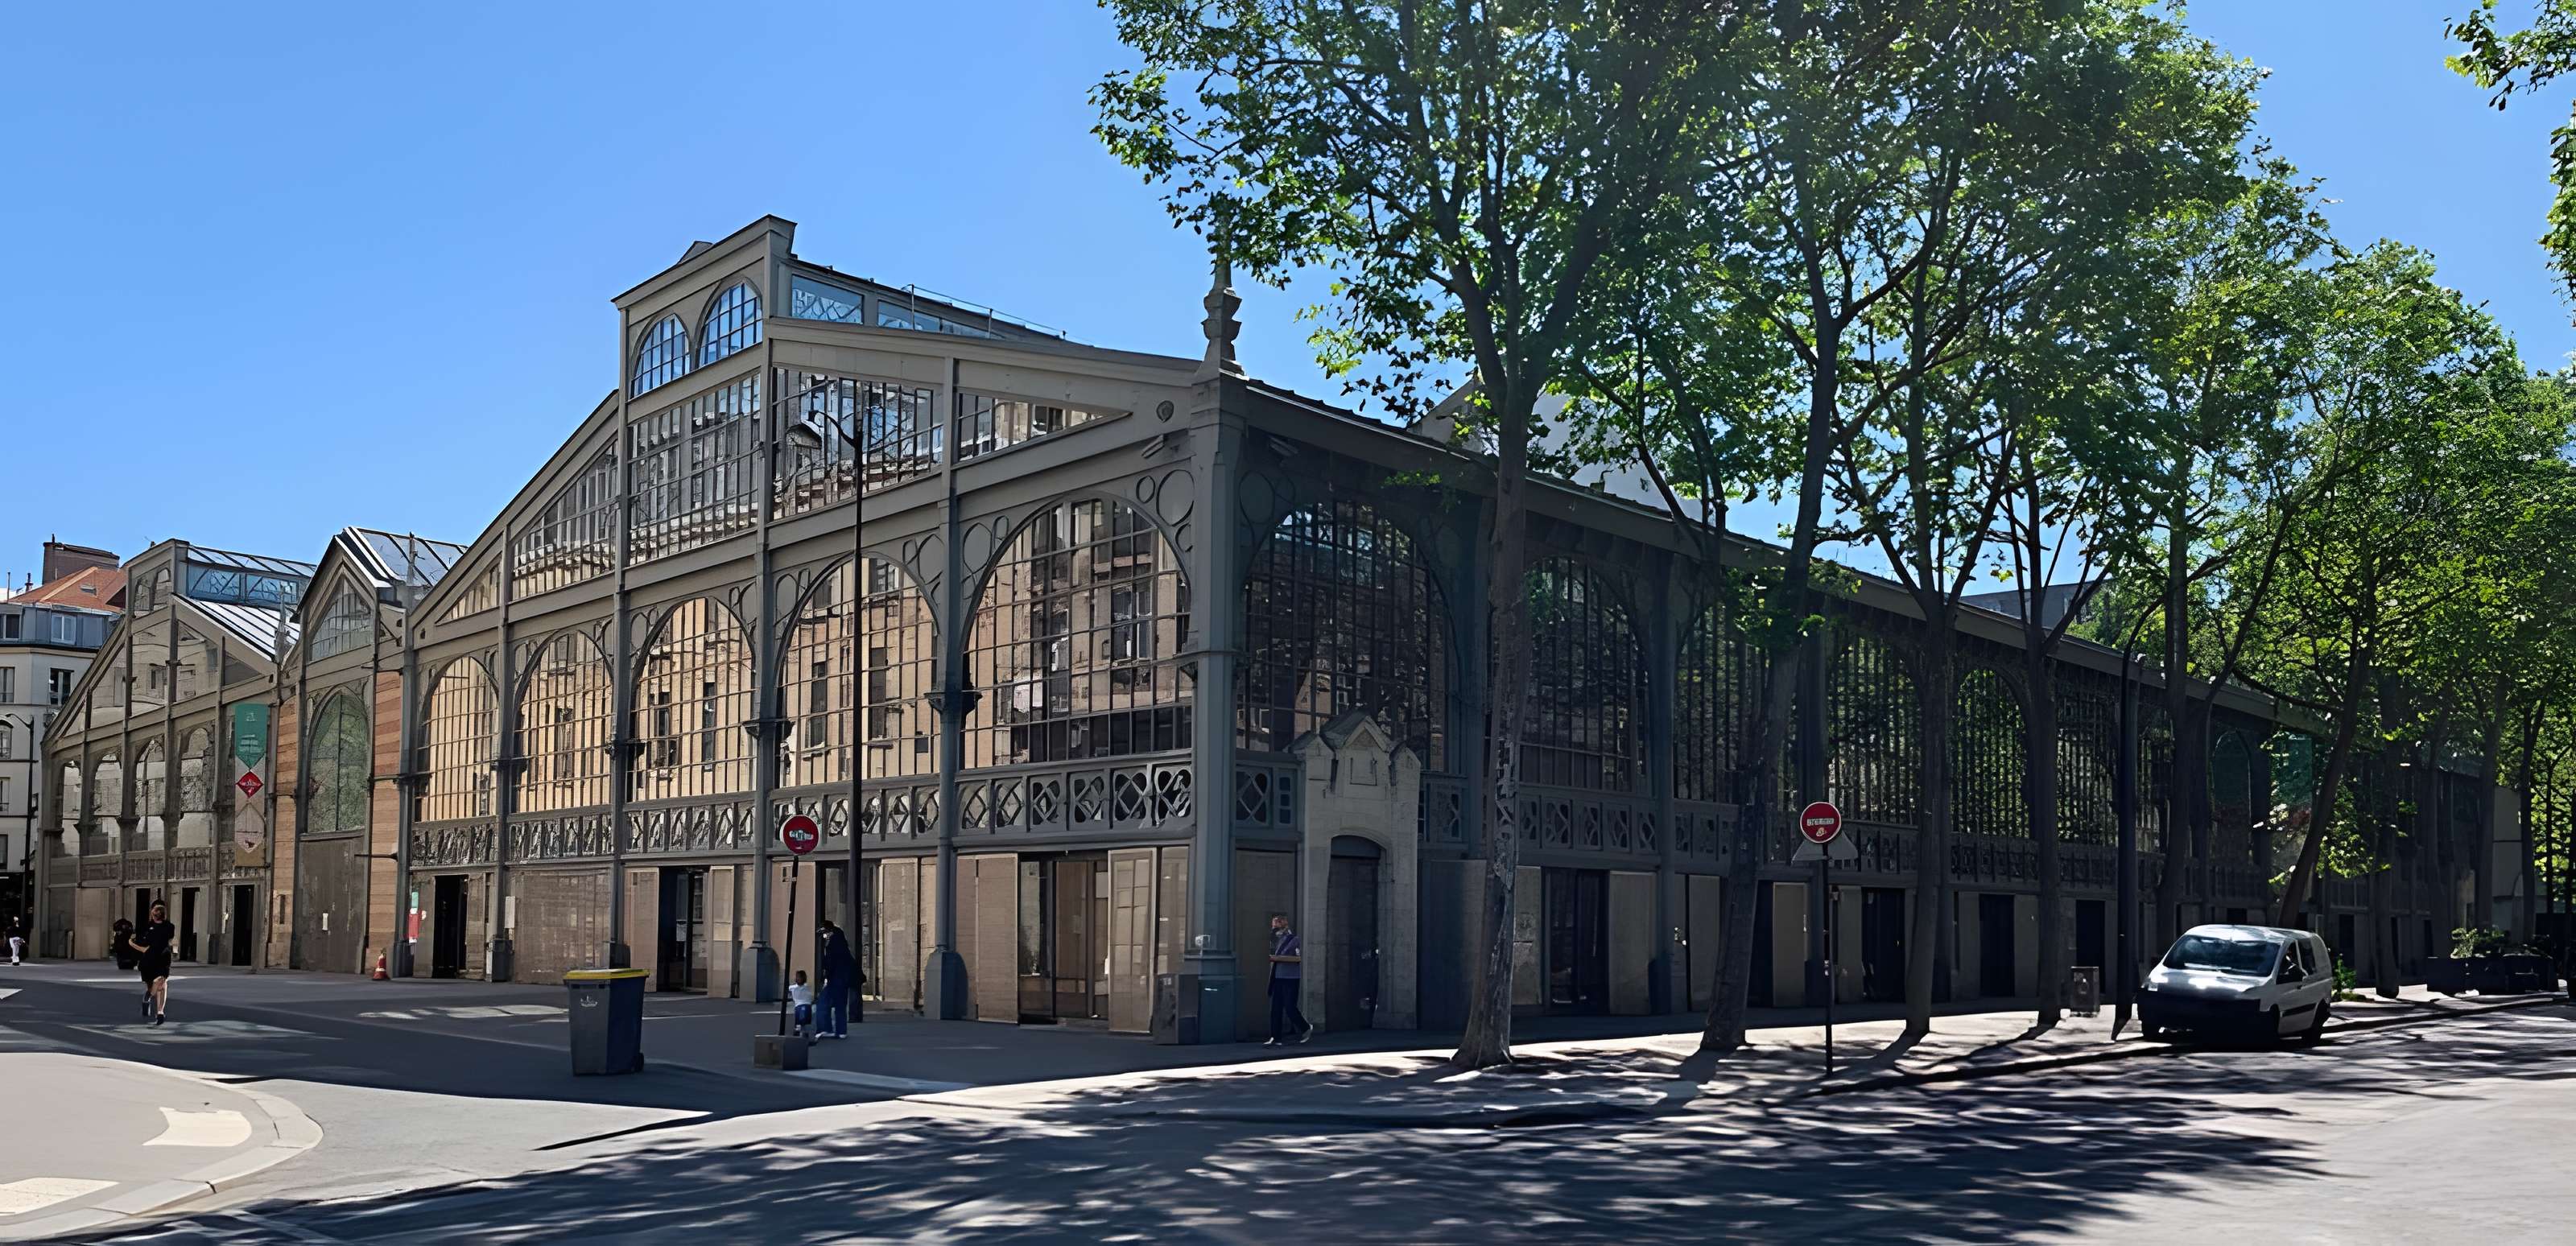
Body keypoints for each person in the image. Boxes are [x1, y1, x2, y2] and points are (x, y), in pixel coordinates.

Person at [1265, 912, 1313, 1046]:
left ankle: (1305, 1028)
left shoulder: (1293, 939)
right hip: (1278, 976)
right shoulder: (1274, 939)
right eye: (1273, 924)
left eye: (1276, 924)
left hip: (1290, 977)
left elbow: (1291, 956)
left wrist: (1277, 957)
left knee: (1289, 1006)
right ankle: (1276, 1037)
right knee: (1276, 1008)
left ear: (1283, 925)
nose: (1273, 927)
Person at [129, 901, 175, 1025]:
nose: (155, 915)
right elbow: (142, 944)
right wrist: (133, 945)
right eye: (154, 913)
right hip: (149, 960)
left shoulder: (170, 927)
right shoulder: (146, 927)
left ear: (162, 914)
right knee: (152, 988)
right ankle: (147, 997)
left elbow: (169, 940)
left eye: (157, 913)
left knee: (162, 983)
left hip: (163, 958)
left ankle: (160, 1012)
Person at [815, 919, 861, 1040]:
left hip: (836, 978)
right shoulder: (839, 938)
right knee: (840, 1004)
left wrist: (825, 973)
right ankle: (841, 1031)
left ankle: (826, 1029)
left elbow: (831, 961)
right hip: (842, 978)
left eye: (824, 933)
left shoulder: (833, 940)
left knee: (823, 1002)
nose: (823, 936)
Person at [788, 969, 815, 1038]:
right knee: (805, 1023)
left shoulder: (793, 988)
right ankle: (806, 1037)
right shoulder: (807, 987)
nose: (797, 978)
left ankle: (799, 1037)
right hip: (808, 1007)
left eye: (798, 977)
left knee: (799, 1024)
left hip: (799, 1007)